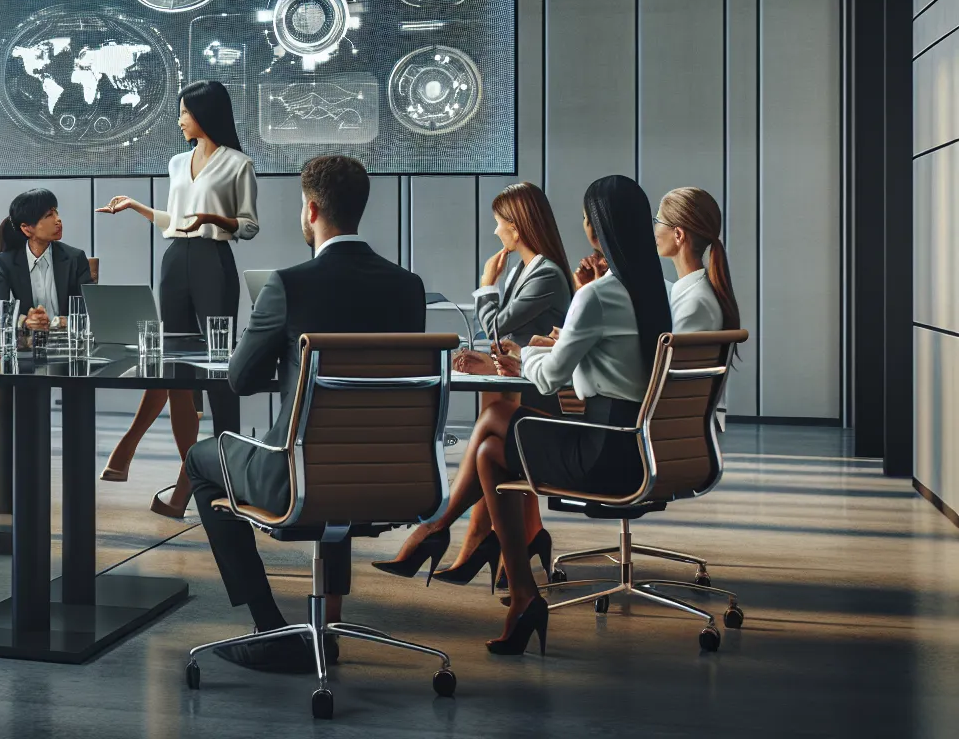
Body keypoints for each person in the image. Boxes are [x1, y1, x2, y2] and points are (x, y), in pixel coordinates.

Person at [183, 155, 426, 674]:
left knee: (201, 460)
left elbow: (240, 379)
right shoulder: (408, 287)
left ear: (311, 210)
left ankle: (269, 625)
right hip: (389, 476)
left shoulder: (289, 284)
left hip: (297, 477)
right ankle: (328, 624)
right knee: (336, 452)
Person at [455, 174, 674, 655]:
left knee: (492, 439)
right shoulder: (663, 293)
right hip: (646, 451)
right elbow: (602, 369)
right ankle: (506, 578)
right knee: (495, 440)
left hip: (603, 455)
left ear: (596, 229)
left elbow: (551, 378)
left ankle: (494, 570)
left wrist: (528, 354)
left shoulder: (599, 295)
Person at [373, 181, 572, 589]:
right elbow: (510, 342)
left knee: (493, 423)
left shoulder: (548, 275)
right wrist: (491, 358)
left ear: (517, 227)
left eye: (499, 223)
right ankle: (491, 538)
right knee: (491, 425)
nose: (496, 231)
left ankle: (449, 532)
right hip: (525, 385)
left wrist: (486, 283)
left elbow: (497, 325)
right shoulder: (524, 270)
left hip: (545, 400)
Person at [96, 81, 259, 518]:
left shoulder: (238, 164)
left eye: (185, 111)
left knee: (220, 369)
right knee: (176, 372)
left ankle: (227, 481)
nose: (180, 119)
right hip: (174, 261)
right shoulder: (176, 162)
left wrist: (213, 218)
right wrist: (137, 206)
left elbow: (248, 225)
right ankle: (191, 479)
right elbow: (175, 220)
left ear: (206, 114)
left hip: (213, 261)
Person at [0, 187, 94, 330]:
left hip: (65, 340)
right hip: (27, 341)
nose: (58, 220)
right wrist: (24, 322)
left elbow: (92, 312)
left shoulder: (75, 258)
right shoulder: (6, 262)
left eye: (56, 212)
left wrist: (63, 322)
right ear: (26, 228)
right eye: (49, 215)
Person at [655, 187, 741, 333]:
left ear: (678, 235)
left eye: (657, 221)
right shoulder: (692, 294)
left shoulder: (694, 304)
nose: (655, 229)